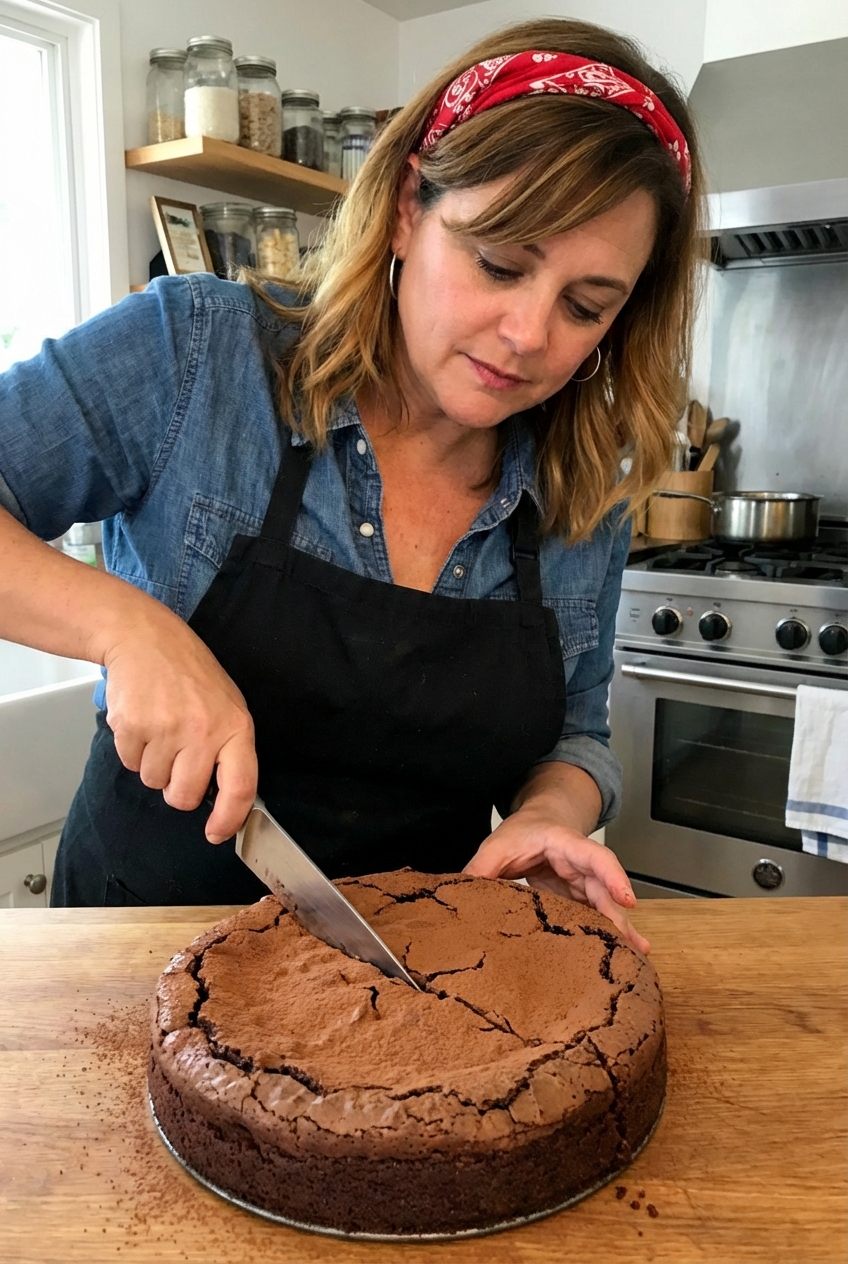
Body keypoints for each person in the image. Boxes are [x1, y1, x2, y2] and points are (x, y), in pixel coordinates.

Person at [0, 18, 703, 952]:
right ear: (409, 206)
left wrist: (549, 814)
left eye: (586, 306)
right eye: (499, 262)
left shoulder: (582, 490)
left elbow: (575, 736)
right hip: (134, 960)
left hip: (409, 985)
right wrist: (127, 629)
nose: (531, 334)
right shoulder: (199, 357)